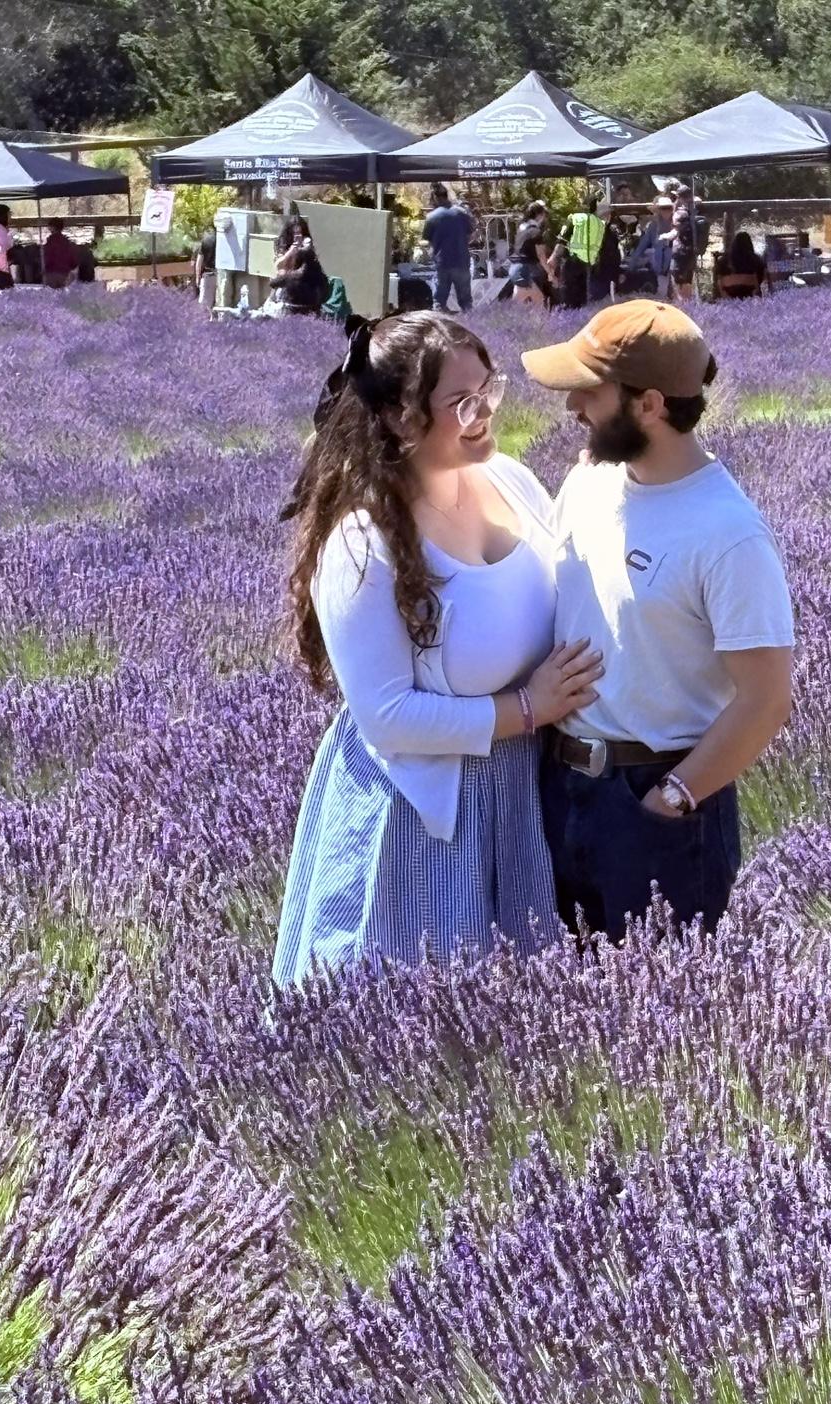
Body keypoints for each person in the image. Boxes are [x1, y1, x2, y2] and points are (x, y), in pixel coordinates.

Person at [272, 313, 605, 985]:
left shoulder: (511, 481)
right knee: (406, 1028)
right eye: (461, 402)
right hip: (422, 818)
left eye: (490, 390)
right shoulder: (365, 543)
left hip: (522, 798)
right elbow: (388, 716)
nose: (483, 413)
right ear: (399, 417)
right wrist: (527, 709)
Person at [520, 301, 794, 943]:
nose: (571, 409)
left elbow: (766, 700)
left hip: (658, 801)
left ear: (648, 404)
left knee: (666, 1014)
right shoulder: (588, 484)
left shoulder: (728, 534)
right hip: (557, 789)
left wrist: (669, 801)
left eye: (589, 391)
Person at [423, 183, 474, 314]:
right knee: (466, 303)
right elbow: (470, 235)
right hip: (461, 261)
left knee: (439, 302)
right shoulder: (462, 214)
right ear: (446, 195)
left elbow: (428, 241)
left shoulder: (431, 217)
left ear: (434, 197)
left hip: (442, 263)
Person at [556, 194, 607, 311]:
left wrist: (553, 258)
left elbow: (562, 241)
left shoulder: (575, 218)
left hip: (571, 262)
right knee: (581, 298)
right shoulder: (600, 224)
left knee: (568, 297)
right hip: (588, 265)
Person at [506, 202, 553, 307]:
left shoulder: (521, 229)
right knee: (539, 302)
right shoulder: (535, 231)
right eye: (544, 215)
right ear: (539, 215)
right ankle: (540, 323)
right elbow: (541, 256)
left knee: (519, 304)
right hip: (524, 270)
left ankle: (510, 322)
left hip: (515, 269)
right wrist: (550, 273)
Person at [268, 234, 330, 316]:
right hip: (313, 316)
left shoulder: (291, 277)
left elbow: (272, 283)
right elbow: (326, 296)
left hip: (291, 315)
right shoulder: (321, 278)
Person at [629, 197, 677, 299]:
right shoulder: (653, 226)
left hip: (675, 265)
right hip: (659, 266)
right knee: (662, 294)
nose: (666, 211)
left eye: (668, 208)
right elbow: (642, 246)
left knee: (676, 295)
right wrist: (632, 264)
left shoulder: (677, 224)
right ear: (659, 210)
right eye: (663, 208)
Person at [714, 231, 765, 299]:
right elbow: (760, 279)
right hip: (749, 294)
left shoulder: (723, 260)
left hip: (728, 294)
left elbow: (718, 278)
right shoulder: (755, 259)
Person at [194, 211, 222, 310]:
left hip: (208, 275)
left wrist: (198, 277)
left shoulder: (207, 240)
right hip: (223, 276)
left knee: (204, 307)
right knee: (220, 306)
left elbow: (199, 261)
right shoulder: (226, 240)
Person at [42, 218, 78, 289]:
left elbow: (47, 257)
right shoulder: (66, 242)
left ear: (52, 227)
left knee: (52, 295)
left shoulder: (50, 242)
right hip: (64, 273)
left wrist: (44, 268)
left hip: (52, 272)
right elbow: (73, 260)